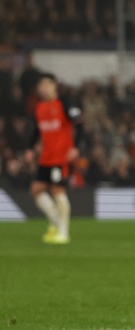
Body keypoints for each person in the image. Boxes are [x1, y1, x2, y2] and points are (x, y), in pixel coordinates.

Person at [29, 73, 81, 244]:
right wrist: (30, 148)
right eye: (41, 86)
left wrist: (75, 147)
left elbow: (78, 123)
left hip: (61, 157)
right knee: (36, 189)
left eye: (47, 85)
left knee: (58, 190)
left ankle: (63, 233)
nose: (44, 89)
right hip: (46, 157)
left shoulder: (64, 103)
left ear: (54, 86)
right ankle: (55, 223)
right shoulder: (40, 107)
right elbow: (37, 130)